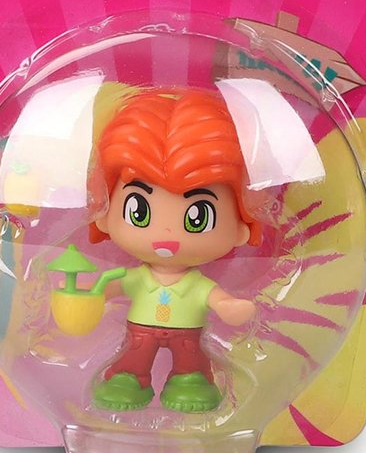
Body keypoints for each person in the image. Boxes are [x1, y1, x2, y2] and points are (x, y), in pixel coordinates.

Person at [89, 86, 261, 412]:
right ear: (106, 215)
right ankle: (128, 376)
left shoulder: (196, 284)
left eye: (198, 217)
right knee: (134, 354)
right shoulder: (139, 278)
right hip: (140, 332)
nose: (166, 235)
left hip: (188, 334)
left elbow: (217, 298)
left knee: (190, 358)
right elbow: (113, 287)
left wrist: (230, 307)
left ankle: (191, 379)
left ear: (241, 225)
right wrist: (93, 296)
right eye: (139, 211)